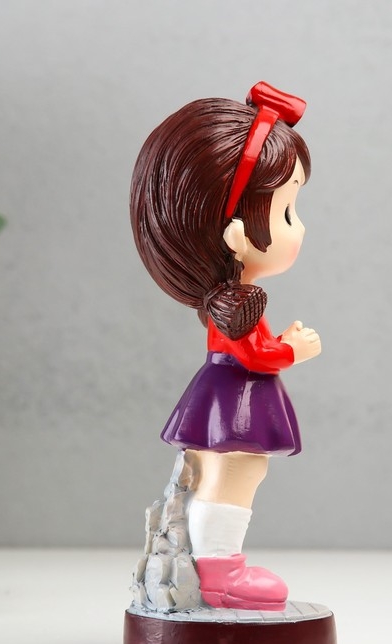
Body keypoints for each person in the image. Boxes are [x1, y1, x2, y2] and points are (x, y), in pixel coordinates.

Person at [130, 82, 321, 611]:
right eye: (286, 213)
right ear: (234, 234)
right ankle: (220, 572)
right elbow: (255, 356)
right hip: (236, 396)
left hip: (226, 392)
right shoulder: (239, 301)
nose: (299, 228)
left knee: (229, 471)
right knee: (236, 471)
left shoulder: (233, 300)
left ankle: (213, 564)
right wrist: (293, 350)